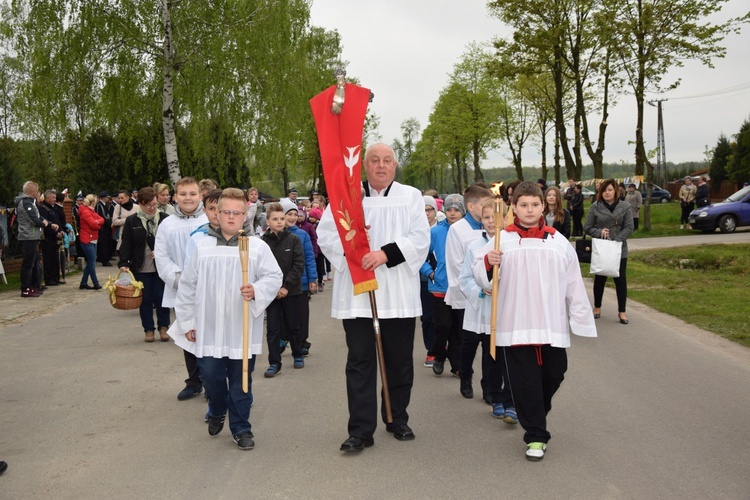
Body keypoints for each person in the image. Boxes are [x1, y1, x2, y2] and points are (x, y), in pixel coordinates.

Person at [317, 142, 430, 453]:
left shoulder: (410, 196)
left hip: (398, 293)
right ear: (365, 165)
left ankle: (397, 417)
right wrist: (355, 254)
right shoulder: (347, 195)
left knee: (398, 361)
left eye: (388, 161)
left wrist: (385, 254)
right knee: (360, 361)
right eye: (375, 160)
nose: (381, 166)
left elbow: (421, 238)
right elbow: (327, 234)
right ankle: (361, 430)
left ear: (395, 166)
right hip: (358, 294)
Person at [474, 181, 597, 461]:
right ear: (513, 207)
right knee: (524, 382)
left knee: (555, 373)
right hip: (515, 324)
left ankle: (533, 412)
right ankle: (536, 436)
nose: (529, 210)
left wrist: (579, 316)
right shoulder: (500, 240)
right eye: (523, 205)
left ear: (544, 206)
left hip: (550, 323)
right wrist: (487, 263)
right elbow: (482, 280)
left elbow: (573, 283)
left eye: (535, 204)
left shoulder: (558, 242)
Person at [170, 188, 282, 450]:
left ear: (246, 215)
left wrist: (256, 290)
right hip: (209, 328)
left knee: (242, 380)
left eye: (237, 212)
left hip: (241, 328)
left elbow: (273, 277)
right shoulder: (202, 246)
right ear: (216, 214)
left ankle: (241, 427)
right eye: (226, 212)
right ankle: (218, 409)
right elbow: (187, 286)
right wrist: (187, 323)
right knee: (211, 378)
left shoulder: (256, 247)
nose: (232, 217)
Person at [458, 199, 516, 422]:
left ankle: (499, 393)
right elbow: (464, 278)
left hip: (504, 307)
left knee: (500, 353)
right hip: (481, 306)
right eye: (487, 218)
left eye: (495, 217)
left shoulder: (510, 243)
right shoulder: (475, 246)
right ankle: (484, 388)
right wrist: (481, 289)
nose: (492, 222)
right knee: (483, 349)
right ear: (481, 221)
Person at [154, 177, 209, 401]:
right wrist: (180, 280)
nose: (188, 198)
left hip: (208, 288)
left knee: (210, 334)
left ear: (200, 196)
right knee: (189, 335)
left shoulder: (210, 220)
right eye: (183, 194)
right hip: (180, 289)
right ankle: (194, 382)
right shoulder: (167, 224)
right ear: (175, 197)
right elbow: (162, 256)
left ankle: (212, 380)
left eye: (192, 194)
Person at [445, 184, 493, 395]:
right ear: (471, 206)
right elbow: (456, 265)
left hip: (492, 297)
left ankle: (489, 386)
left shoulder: (493, 227)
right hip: (467, 295)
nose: (488, 209)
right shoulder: (457, 229)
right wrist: (475, 289)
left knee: (489, 343)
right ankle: (466, 377)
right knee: (469, 342)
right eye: (484, 205)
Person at [118, 187, 171, 343]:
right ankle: (148, 329)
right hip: (141, 267)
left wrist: (163, 253)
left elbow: (172, 243)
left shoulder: (164, 219)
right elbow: (126, 243)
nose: (152, 208)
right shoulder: (132, 220)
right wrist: (123, 262)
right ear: (140, 204)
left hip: (161, 267)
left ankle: (164, 327)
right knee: (145, 300)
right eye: (148, 205)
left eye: (154, 204)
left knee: (162, 298)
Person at [421, 194, 464, 378]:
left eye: (456, 210)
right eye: (449, 210)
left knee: (458, 329)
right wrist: (431, 274)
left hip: (462, 289)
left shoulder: (469, 230)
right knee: (442, 326)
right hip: (439, 287)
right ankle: (439, 355)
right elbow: (421, 257)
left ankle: (457, 364)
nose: (452, 214)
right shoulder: (436, 232)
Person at [260, 202, 305, 376]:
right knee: (273, 329)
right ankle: (274, 363)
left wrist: (286, 287)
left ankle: (298, 354)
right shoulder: (262, 243)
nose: (279, 222)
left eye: (282, 218)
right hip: (271, 294)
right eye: (275, 219)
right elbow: (260, 268)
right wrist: (272, 288)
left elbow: (298, 265)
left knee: (293, 325)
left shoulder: (294, 240)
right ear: (268, 222)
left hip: (291, 291)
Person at [584, 178, 634, 325]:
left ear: (616, 191)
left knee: (620, 280)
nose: (607, 193)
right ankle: (597, 307)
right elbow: (587, 227)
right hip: (602, 248)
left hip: (619, 249)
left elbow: (629, 227)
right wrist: (599, 232)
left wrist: (618, 239)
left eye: (610, 190)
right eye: (604, 190)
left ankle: (622, 311)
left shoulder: (625, 206)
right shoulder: (595, 206)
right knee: (600, 279)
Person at [283, 200, 317, 356]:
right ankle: (283, 339)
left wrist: (312, 279)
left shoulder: (302, 235)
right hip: (281, 284)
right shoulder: (274, 235)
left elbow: (309, 258)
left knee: (302, 314)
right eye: (289, 214)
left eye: (295, 214)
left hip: (301, 283)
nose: (292, 217)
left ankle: (302, 341)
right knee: (283, 314)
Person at [15, 181, 52, 297]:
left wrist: (49, 223)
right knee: (28, 264)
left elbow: (38, 217)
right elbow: (35, 220)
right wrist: (45, 224)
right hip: (28, 237)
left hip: (33, 236)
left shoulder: (31, 203)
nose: (38, 193)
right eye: (37, 191)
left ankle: (33, 286)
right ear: (32, 192)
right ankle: (25, 289)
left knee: (34, 262)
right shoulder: (25, 203)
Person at [419, 196, 438, 367]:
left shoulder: (441, 230)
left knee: (441, 317)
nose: (427, 213)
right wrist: (428, 273)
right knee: (427, 317)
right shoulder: (417, 230)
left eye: (429, 210)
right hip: (424, 279)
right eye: (423, 210)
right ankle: (430, 349)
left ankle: (438, 347)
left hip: (441, 281)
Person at [37, 190, 65, 286]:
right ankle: (49, 279)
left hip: (56, 237)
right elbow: (46, 224)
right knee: (48, 259)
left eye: (55, 197)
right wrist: (55, 233)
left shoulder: (54, 208)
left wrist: (61, 230)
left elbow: (58, 221)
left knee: (55, 259)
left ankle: (56, 277)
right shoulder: (42, 208)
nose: (55, 199)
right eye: (53, 198)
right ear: (47, 198)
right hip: (48, 238)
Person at [78, 194, 104, 290]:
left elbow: (102, 219)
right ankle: (95, 283)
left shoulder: (90, 211)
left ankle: (83, 282)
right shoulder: (86, 212)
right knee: (92, 262)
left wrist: (97, 222)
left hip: (92, 238)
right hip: (87, 239)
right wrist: (98, 223)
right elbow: (94, 225)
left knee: (90, 262)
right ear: (93, 202)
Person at [96, 191, 114, 266]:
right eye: (107, 197)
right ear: (103, 198)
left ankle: (104, 258)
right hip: (103, 228)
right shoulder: (99, 205)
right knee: (104, 244)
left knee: (107, 244)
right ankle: (104, 260)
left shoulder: (105, 205)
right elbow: (101, 216)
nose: (108, 198)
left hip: (107, 227)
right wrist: (109, 223)